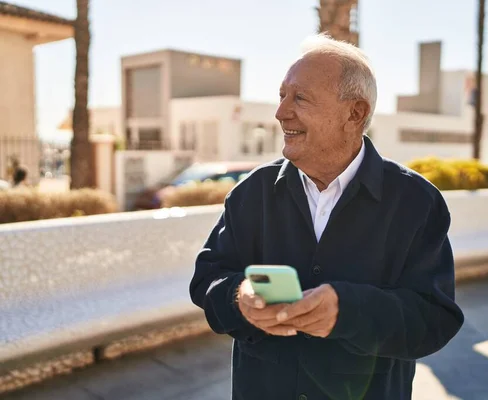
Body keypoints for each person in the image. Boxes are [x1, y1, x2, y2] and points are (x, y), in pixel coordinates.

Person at [190, 34, 464, 400]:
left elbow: (434, 319)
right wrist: (239, 296)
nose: (281, 112)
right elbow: (207, 278)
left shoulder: (417, 202)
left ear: (355, 113)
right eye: (282, 95)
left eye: (299, 98)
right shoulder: (250, 194)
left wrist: (349, 311)